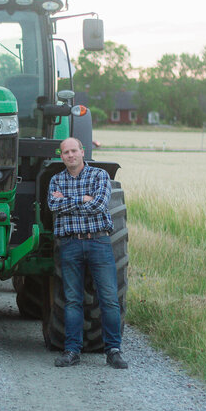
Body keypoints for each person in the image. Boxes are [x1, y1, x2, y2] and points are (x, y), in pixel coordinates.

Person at [47, 137, 126, 369]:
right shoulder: (56, 179)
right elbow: (53, 206)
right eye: (65, 152)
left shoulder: (100, 175)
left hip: (98, 243)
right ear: (61, 156)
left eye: (74, 151)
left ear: (82, 152)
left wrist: (68, 202)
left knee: (109, 299)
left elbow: (100, 205)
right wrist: (83, 198)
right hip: (70, 245)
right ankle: (72, 351)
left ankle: (113, 350)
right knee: (72, 300)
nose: (70, 155)